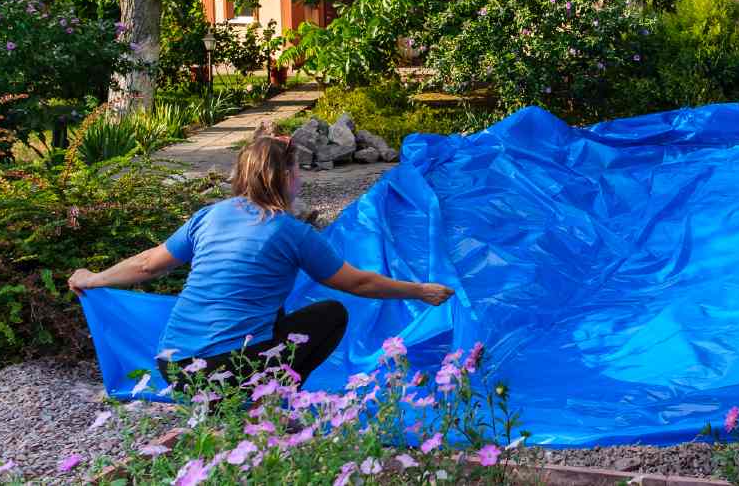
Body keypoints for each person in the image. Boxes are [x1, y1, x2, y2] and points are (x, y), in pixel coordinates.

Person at [68, 135, 455, 390]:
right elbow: (358, 284)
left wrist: (93, 278)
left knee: (275, 312)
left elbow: (147, 265)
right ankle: (266, 398)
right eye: (296, 169)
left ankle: (240, 397)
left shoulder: (209, 215)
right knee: (331, 314)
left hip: (175, 368)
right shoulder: (290, 231)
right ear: (285, 175)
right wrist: (419, 290)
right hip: (225, 371)